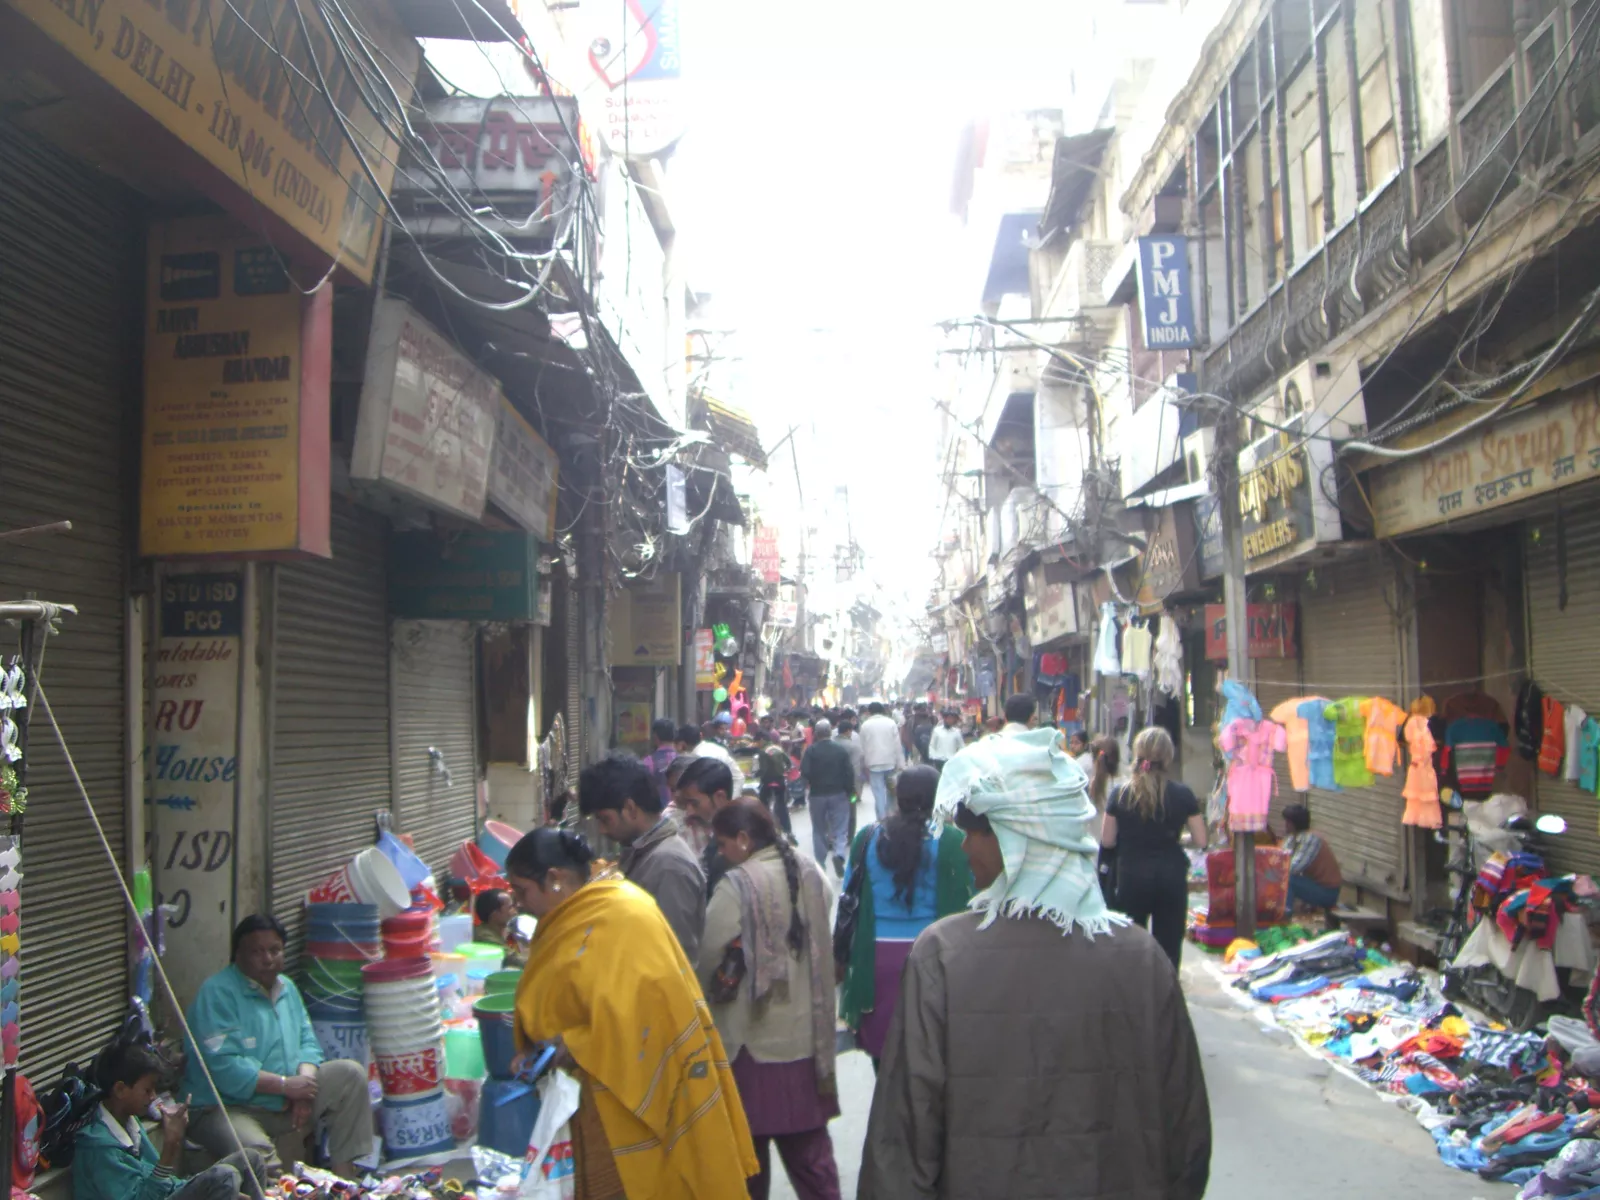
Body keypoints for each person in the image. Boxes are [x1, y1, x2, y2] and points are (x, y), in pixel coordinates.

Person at [858, 728, 1211, 1199]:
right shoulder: (1141, 956)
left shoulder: (941, 955)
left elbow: (901, 1147)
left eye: (976, 833)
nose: (965, 848)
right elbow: (1186, 1141)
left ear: (1017, 837)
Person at [505, 827, 758, 1199]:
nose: (517, 902)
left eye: (522, 890)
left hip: (626, 1091)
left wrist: (569, 1046)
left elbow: (648, 1014)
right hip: (588, 1092)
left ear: (555, 878)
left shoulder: (621, 914)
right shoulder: (574, 914)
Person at [698, 801, 841, 1200]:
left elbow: (708, 951)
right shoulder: (809, 869)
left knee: (748, 1163)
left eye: (723, 843)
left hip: (751, 1044)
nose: (721, 852)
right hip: (806, 1039)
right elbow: (826, 907)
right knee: (813, 1162)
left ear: (744, 839)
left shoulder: (737, 884)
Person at [182, 916, 370, 1178]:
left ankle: (344, 1181)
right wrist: (285, 1086)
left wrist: (304, 1089)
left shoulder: (287, 988)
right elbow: (224, 1068)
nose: (268, 959)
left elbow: (308, 1044)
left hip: (284, 1101)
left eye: (275, 950)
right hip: (226, 1108)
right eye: (257, 952)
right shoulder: (216, 993)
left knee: (350, 1075)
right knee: (258, 1155)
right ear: (238, 954)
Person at [838, 765, 971, 1066]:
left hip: (876, 961)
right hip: (936, 957)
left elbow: (849, 896)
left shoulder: (868, 838)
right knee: (933, 1055)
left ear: (898, 798)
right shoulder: (952, 840)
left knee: (885, 1059)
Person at [74, 1042, 268, 1200]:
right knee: (225, 1176)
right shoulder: (99, 1147)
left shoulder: (130, 1124)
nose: (153, 1097)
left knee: (251, 1160)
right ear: (120, 1090)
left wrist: (201, 1188)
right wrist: (170, 1146)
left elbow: (165, 1184)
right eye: (147, 1090)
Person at [579, 752, 707, 959]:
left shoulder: (669, 865)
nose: (602, 830)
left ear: (630, 809)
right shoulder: (643, 854)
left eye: (605, 819)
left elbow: (673, 956)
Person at [1101, 727, 1208, 969]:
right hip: (1171, 876)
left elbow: (1107, 840)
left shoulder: (1120, 794)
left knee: (1130, 946)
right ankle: (1165, 990)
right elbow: (1201, 840)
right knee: (1168, 948)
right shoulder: (1183, 794)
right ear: (1168, 757)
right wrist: (1175, 837)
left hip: (1130, 877)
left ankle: (1134, 990)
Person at [675, 755, 739, 895]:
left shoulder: (743, 836)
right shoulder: (684, 830)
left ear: (720, 798)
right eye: (686, 804)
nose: (689, 811)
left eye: (694, 803)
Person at [799, 719, 855, 877]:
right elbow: (849, 773)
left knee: (819, 829)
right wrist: (851, 791)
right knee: (841, 828)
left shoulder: (811, 751)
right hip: (839, 794)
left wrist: (805, 789)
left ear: (816, 734)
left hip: (817, 795)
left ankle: (820, 863)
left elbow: (805, 772)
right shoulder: (840, 750)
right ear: (830, 732)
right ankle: (839, 854)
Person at [1281, 803, 1343, 910]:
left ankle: (1285, 913)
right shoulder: (1292, 838)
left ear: (1296, 824)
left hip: (1327, 892)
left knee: (1288, 879)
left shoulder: (1311, 839)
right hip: (1313, 885)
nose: (1285, 825)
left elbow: (1294, 868)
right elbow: (1281, 857)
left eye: (1288, 822)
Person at [858, 702, 905, 822]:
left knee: (878, 793)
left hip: (873, 764)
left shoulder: (865, 725)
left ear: (869, 712)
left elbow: (862, 747)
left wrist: (863, 765)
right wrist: (901, 764)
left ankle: (882, 818)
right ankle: (890, 815)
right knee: (891, 791)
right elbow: (897, 745)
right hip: (890, 763)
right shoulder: (891, 723)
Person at [676, 722, 746, 798]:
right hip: (731, 788)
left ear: (682, 744)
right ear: (701, 736)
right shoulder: (710, 746)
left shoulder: (698, 756)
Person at [756, 730, 797, 842]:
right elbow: (789, 763)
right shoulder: (778, 748)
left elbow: (763, 770)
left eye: (757, 741)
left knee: (763, 805)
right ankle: (788, 831)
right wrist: (784, 771)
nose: (757, 744)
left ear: (762, 740)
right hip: (779, 781)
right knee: (782, 806)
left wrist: (755, 775)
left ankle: (767, 831)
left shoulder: (762, 752)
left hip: (767, 782)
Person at [474, 888, 526, 968]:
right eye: (510, 908)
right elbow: (514, 960)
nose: (515, 912)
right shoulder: (485, 937)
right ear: (495, 914)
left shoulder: (506, 932)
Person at [645, 717, 679, 809]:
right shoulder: (683, 759)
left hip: (658, 812)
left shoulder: (649, 762)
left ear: (655, 736)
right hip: (681, 812)